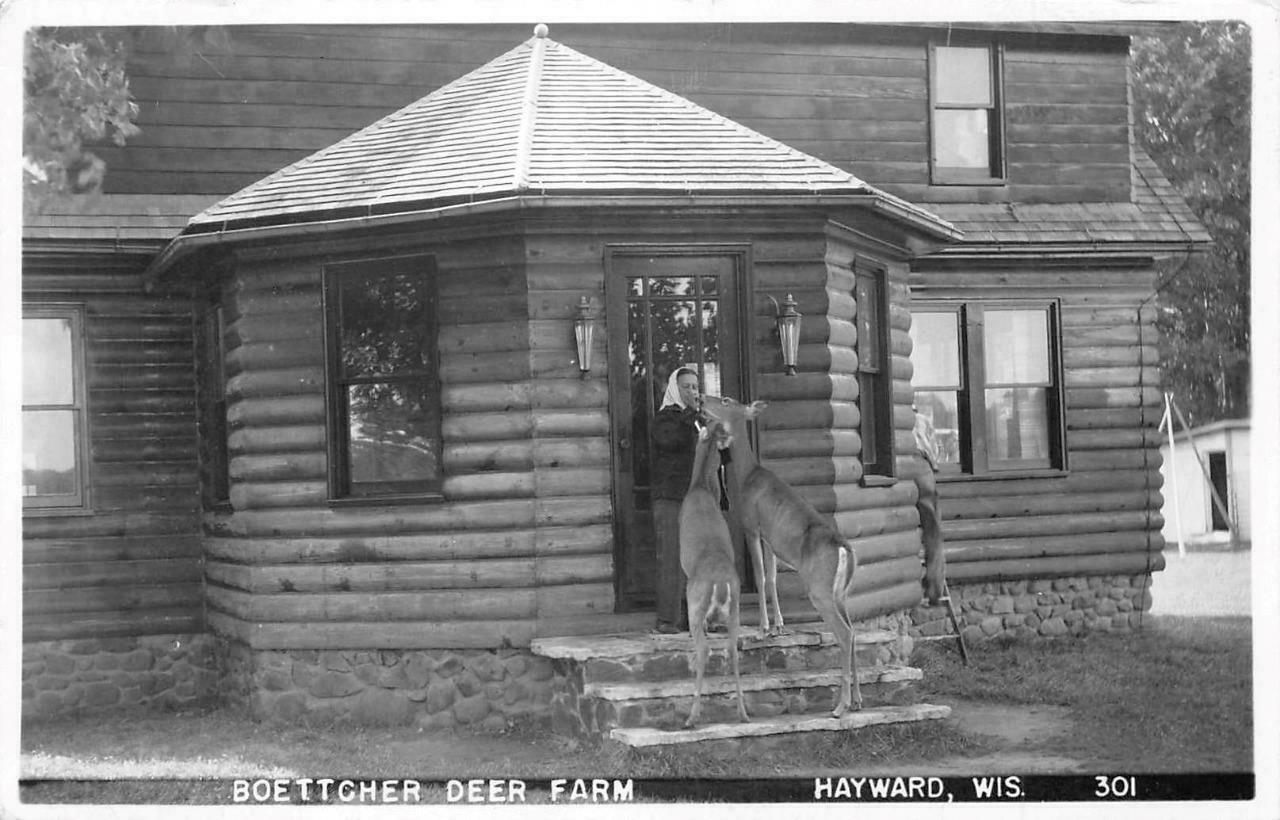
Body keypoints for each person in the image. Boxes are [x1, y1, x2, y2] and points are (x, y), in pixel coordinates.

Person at [650, 366, 703, 633]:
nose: (692, 391)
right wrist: (691, 417)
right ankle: (667, 620)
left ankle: (697, 617)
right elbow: (670, 442)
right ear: (674, 388)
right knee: (672, 557)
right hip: (671, 497)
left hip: (696, 499)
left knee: (698, 557)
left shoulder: (697, 420)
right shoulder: (666, 418)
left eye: (695, 386)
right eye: (686, 387)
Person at [912, 405, 947, 604]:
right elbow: (934, 455)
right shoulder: (922, 420)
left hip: (900, 466)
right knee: (932, 529)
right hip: (921, 465)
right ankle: (934, 588)